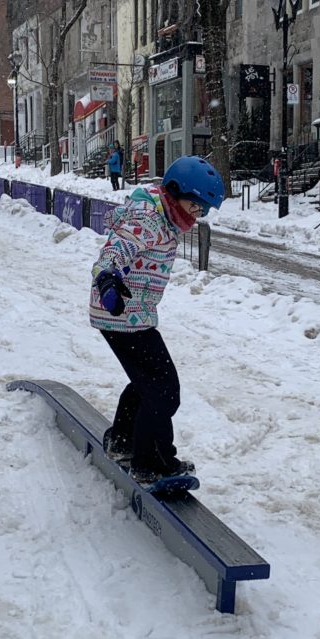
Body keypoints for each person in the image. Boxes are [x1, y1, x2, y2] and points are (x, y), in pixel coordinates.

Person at [90, 155, 225, 485]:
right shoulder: (148, 218)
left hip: (131, 314)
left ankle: (123, 441)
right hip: (122, 312)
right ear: (176, 191)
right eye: (195, 206)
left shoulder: (163, 213)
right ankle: (152, 463)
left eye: (203, 210)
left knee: (148, 382)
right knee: (164, 390)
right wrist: (108, 279)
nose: (197, 214)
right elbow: (115, 251)